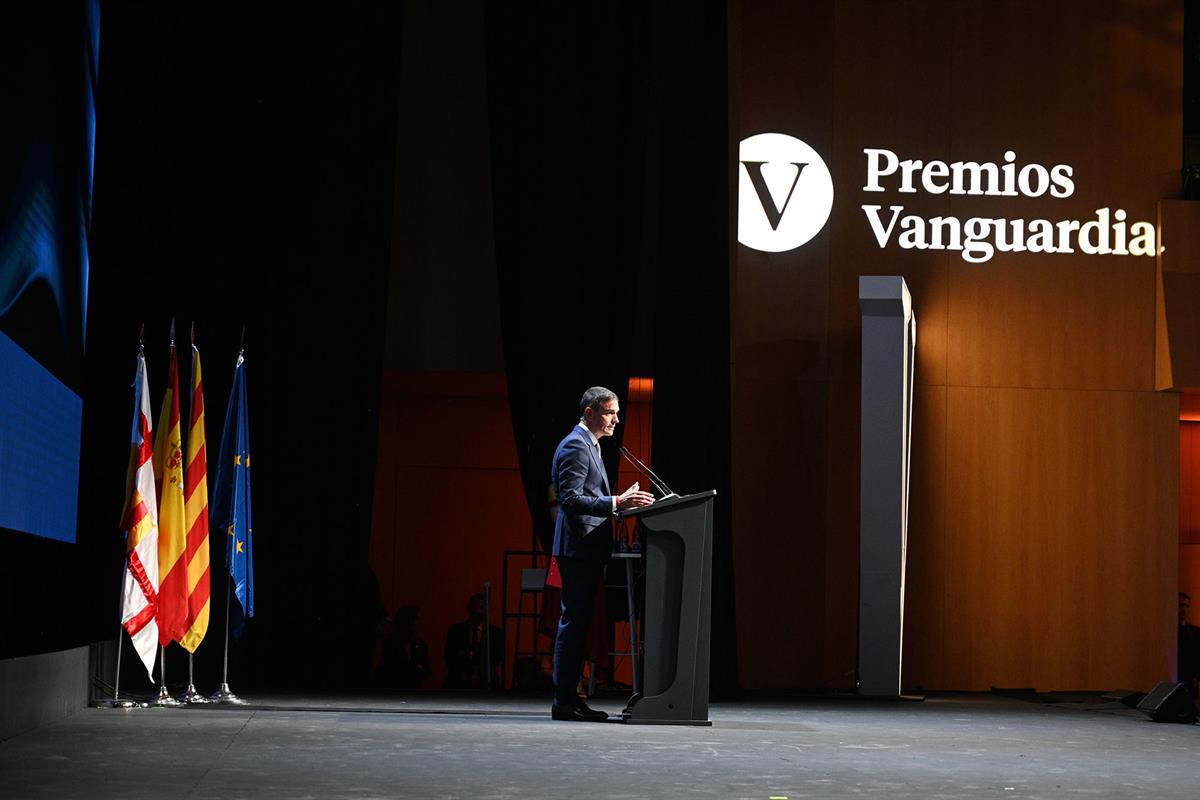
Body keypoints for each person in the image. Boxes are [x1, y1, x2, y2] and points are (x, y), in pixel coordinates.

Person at [550, 386, 653, 722]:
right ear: (590, 412)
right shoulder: (576, 446)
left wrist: (618, 505)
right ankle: (564, 701)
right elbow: (571, 501)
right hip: (577, 550)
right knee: (573, 624)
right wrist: (616, 503)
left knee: (579, 626)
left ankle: (571, 699)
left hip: (587, 550)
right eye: (610, 413)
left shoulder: (590, 445)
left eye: (616, 413)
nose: (616, 420)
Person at [443, 593, 503, 690]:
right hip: (459, 683)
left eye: (481, 608)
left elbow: (498, 657)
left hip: (487, 683)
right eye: (474, 607)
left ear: (487, 610)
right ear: (469, 608)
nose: (477, 611)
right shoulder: (456, 630)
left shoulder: (495, 633)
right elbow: (448, 656)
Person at [1179, 592, 1200, 698]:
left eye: (1186, 606)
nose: (1184, 609)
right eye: (1181, 605)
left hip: (1190, 681)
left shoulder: (1196, 632)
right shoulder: (1169, 631)